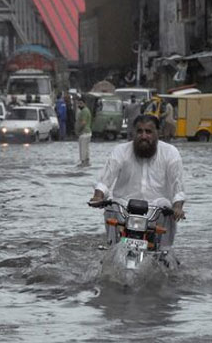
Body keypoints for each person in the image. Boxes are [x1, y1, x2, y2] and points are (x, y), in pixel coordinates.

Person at [90, 114, 186, 247]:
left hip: (156, 211)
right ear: (133, 133)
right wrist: (97, 196)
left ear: (158, 133)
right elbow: (105, 179)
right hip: (124, 209)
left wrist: (177, 207)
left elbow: (178, 187)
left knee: (167, 207)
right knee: (111, 206)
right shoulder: (120, 151)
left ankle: (164, 253)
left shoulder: (171, 153)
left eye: (148, 132)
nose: (144, 136)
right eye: (139, 131)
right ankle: (112, 249)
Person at [75, 97, 93, 167]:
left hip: (84, 133)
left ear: (84, 104)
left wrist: (78, 130)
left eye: (81, 103)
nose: (79, 105)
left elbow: (83, 122)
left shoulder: (84, 111)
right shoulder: (86, 110)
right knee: (86, 148)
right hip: (87, 132)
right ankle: (86, 161)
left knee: (83, 148)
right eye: (78, 103)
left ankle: (83, 162)